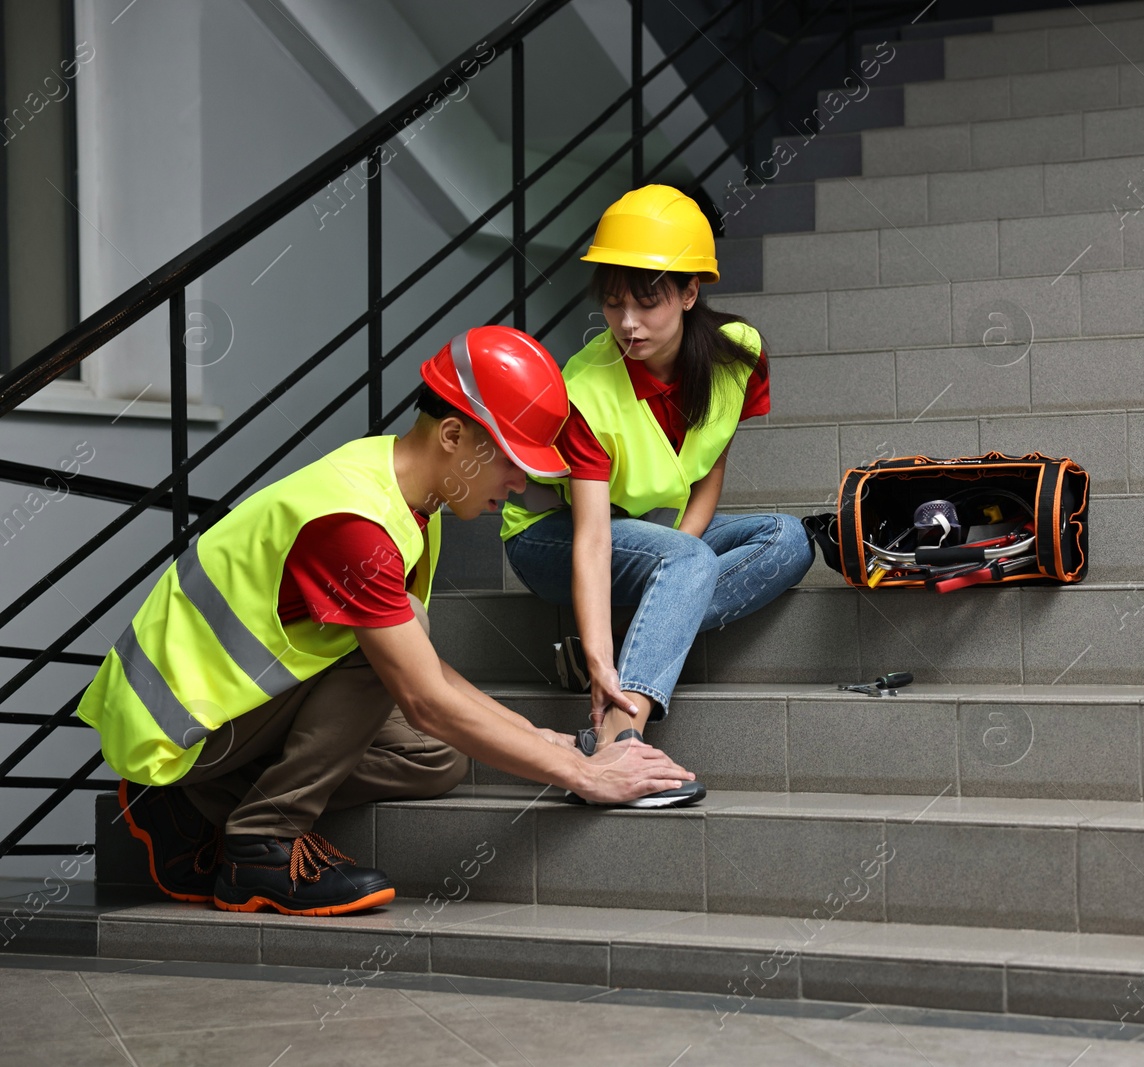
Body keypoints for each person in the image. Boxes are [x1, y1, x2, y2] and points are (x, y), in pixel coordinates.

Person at [77, 326, 696, 916]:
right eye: (510, 459)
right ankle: (261, 845)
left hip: (226, 717)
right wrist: (582, 774)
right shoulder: (357, 527)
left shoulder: (396, 481)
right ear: (453, 435)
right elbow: (423, 694)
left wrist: (551, 740)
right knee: (395, 652)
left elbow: (425, 679)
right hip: (182, 727)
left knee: (438, 760)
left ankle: (194, 809)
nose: (521, 483)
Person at [501, 185, 813, 808]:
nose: (627, 323)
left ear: (690, 292)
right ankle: (620, 736)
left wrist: (680, 554)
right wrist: (599, 663)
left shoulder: (739, 355)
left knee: (788, 538)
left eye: (648, 303)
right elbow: (591, 538)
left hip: (641, 539)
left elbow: (710, 467)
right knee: (686, 561)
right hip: (551, 539)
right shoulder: (586, 388)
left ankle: (638, 636)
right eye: (614, 304)